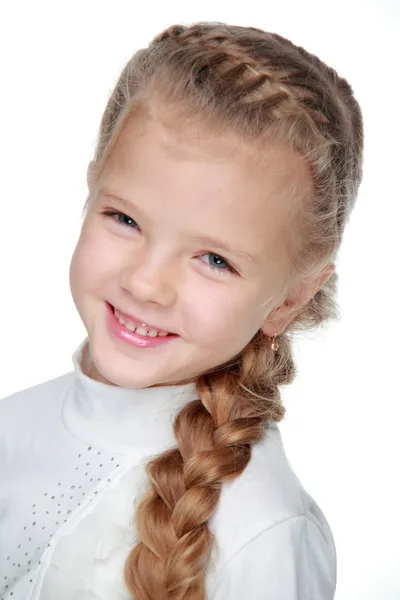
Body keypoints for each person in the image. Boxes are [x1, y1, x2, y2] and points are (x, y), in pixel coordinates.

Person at [0, 20, 364, 600]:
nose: (146, 284)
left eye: (215, 260)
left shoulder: (264, 533)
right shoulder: (12, 426)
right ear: (90, 188)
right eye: (124, 219)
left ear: (291, 299)